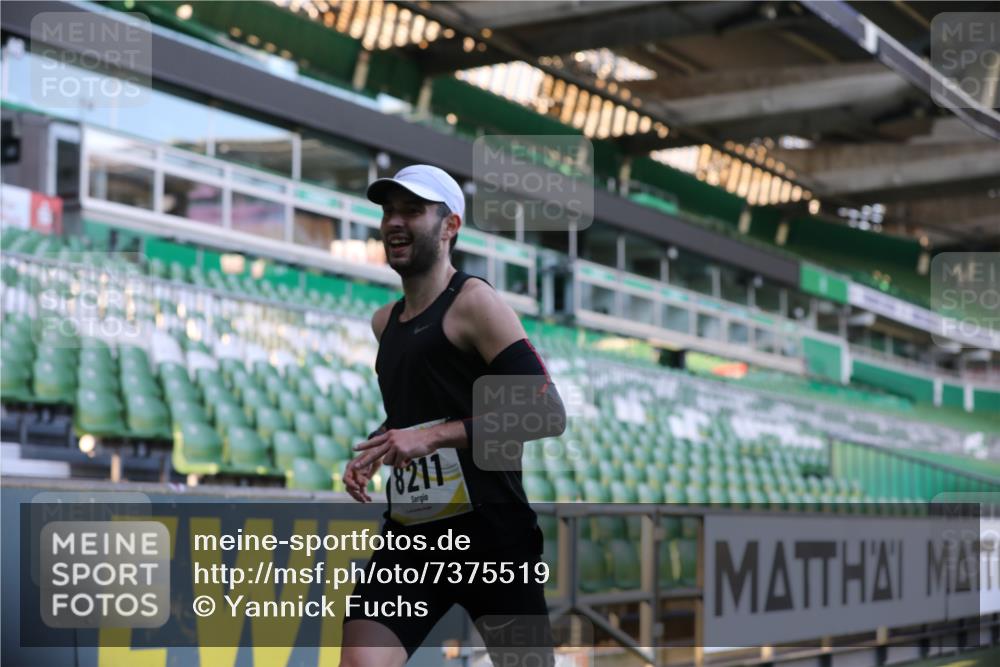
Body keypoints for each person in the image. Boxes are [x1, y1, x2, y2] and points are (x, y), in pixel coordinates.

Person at [339, 165, 566, 667]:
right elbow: (419, 411)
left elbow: (546, 411)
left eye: (412, 210)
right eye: (388, 211)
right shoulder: (385, 323)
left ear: (450, 226)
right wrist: (379, 444)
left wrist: (433, 438)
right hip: (412, 538)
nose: (395, 222)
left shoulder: (475, 303)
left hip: (492, 537)